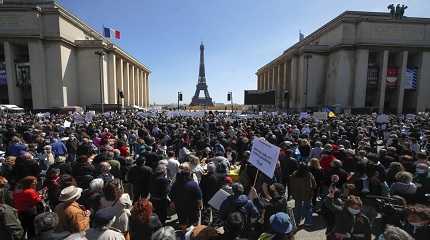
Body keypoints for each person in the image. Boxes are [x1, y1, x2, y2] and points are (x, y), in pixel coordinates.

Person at [170, 162, 203, 228]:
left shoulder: (175, 184)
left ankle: (184, 234)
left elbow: (172, 195)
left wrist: (173, 203)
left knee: (182, 222)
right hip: (192, 209)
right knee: (193, 224)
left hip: (180, 207)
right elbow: (199, 198)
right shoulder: (193, 184)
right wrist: (200, 206)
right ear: (189, 173)